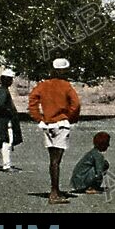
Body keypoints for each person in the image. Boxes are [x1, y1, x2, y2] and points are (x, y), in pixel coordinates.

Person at [28, 58, 81, 205]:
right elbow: (75, 104)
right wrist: (69, 117)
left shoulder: (43, 85)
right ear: (63, 71)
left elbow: (32, 100)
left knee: (53, 160)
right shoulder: (66, 86)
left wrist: (39, 118)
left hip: (47, 124)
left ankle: (54, 190)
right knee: (57, 161)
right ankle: (54, 193)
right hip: (61, 124)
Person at [0, 68, 22, 172]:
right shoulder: (4, 91)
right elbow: (0, 105)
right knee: (7, 142)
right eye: (10, 79)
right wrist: (9, 112)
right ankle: (6, 165)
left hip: (0, 120)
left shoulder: (0, 90)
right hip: (6, 121)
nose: (12, 81)